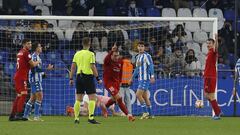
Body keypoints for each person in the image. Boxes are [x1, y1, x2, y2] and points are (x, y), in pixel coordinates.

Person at [69, 37, 101, 124]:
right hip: (88, 77)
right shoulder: (91, 54)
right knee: (92, 98)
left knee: (78, 99)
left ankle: (76, 118)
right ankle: (91, 118)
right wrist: (97, 78)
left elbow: (73, 67)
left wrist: (71, 78)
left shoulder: (77, 54)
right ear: (89, 44)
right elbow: (92, 66)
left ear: (82, 44)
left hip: (79, 76)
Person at [9, 39, 40, 121]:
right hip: (21, 77)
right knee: (24, 94)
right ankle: (19, 115)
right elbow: (33, 64)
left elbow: (26, 65)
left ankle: (12, 115)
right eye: (28, 44)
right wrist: (38, 62)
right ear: (24, 44)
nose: (30, 45)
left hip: (18, 76)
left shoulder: (20, 52)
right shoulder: (26, 53)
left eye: (30, 43)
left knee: (19, 96)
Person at [103, 43, 135, 122]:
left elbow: (120, 73)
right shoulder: (108, 61)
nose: (116, 57)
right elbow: (106, 58)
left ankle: (104, 106)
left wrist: (120, 81)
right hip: (109, 83)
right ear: (111, 55)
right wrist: (111, 51)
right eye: (114, 55)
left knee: (114, 99)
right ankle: (129, 115)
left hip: (116, 83)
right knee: (119, 98)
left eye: (117, 55)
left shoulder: (120, 62)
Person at [22, 42, 54, 121]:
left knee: (32, 98)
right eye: (40, 46)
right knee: (40, 96)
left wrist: (44, 73)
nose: (41, 47)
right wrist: (46, 69)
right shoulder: (34, 57)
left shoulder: (38, 57)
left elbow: (38, 70)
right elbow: (34, 70)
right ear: (36, 48)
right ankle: (36, 116)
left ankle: (25, 116)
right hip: (35, 79)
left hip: (36, 79)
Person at [130, 41, 155, 119]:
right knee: (145, 97)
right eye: (139, 46)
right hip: (140, 79)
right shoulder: (137, 57)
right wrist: (132, 78)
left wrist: (152, 76)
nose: (140, 48)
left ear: (144, 48)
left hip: (145, 79)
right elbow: (137, 69)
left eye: (142, 46)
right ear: (137, 47)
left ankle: (145, 112)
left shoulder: (147, 56)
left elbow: (151, 66)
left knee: (138, 95)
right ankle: (151, 114)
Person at [204, 36, 222, 120]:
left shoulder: (213, 51)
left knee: (211, 96)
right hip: (207, 76)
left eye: (210, 43)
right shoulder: (208, 53)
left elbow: (216, 48)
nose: (208, 45)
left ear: (213, 44)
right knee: (207, 95)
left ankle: (217, 114)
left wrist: (216, 39)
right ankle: (218, 110)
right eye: (207, 43)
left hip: (211, 76)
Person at [119, 51, 133, 116]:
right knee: (128, 100)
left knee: (121, 100)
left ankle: (122, 112)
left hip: (121, 84)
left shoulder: (121, 64)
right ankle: (129, 113)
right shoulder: (131, 65)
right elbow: (130, 75)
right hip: (127, 84)